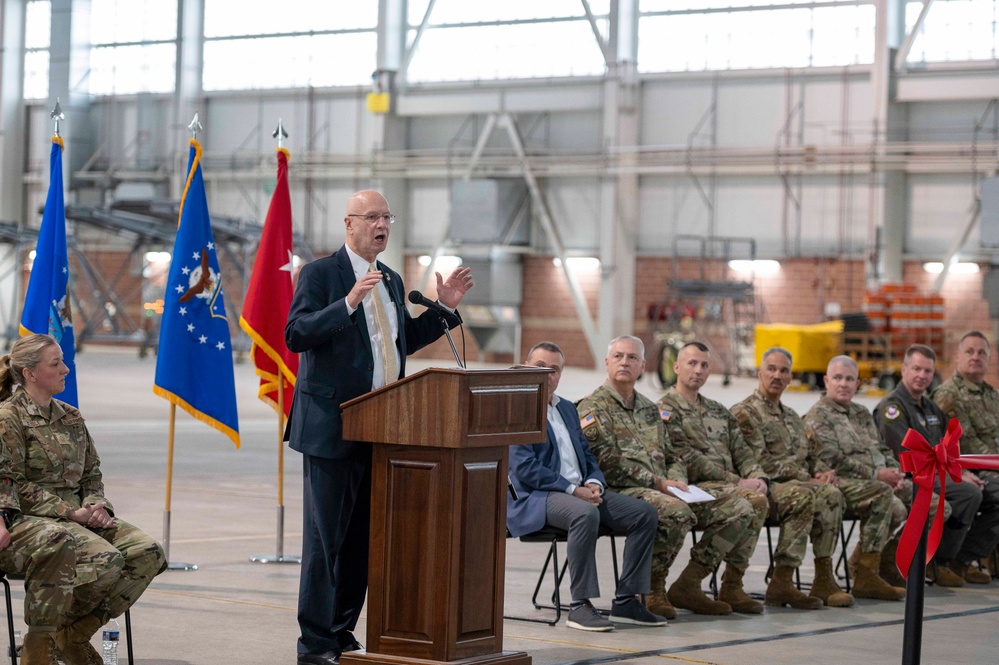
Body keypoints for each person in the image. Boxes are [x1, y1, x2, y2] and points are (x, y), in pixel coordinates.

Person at [285, 190, 473, 665]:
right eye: (372, 217)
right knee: (326, 542)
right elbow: (296, 333)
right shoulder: (321, 274)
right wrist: (347, 303)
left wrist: (443, 307)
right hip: (332, 429)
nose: (382, 224)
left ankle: (342, 631)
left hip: (384, 429)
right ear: (349, 224)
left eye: (387, 216)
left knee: (362, 542)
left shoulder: (388, 278)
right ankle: (315, 645)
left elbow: (400, 340)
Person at [0, 334, 166, 665]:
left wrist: (96, 504)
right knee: (105, 559)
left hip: (78, 518)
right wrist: (70, 512)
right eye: (55, 363)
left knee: (147, 552)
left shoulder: (71, 416)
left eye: (63, 361)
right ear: (30, 373)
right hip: (31, 520)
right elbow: (11, 483)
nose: (65, 369)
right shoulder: (9, 418)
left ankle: (72, 633)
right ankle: (40, 644)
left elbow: (92, 472)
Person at [578, 336, 756, 619]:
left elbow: (673, 456)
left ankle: (690, 583)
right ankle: (651, 589)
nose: (625, 362)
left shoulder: (650, 409)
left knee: (742, 508)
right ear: (607, 362)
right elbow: (605, 462)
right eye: (619, 356)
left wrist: (676, 481)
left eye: (632, 358)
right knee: (676, 512)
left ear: (643, 366)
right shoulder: (593, 408)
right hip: (621, 492)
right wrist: (659, 483)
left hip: (663, 489)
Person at [507, 341, 665, 631]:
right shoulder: (516, 406)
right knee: (584, 513)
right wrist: (572, 490)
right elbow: (524, 467)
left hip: (579, 492)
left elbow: (587, 455)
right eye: (540, 367)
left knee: (645, 513)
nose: (547, 375)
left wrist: (594, 483)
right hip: (539, 496)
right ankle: (579, 606)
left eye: (554, 370)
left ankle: (627, 600)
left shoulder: (567, 408)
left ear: (560, 375)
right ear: (527, 366)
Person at [731, 347, 852, 609]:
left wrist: (821, 471)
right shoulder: (745, 413)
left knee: (831, 493)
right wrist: (807, 478)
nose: (777, 375)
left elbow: (809, 455)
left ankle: (823, 577)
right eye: (771, 369)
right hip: (766, 488)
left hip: (797, 484)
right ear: (760, 372)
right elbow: (757, 462)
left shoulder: (793, 417)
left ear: (790, 377)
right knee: (803, 494)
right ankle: (782, 581)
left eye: (784, 371)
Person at [656, 341, 769, 614]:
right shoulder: (664, 410)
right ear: (676, 367)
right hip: (694, 488)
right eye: (692, 363)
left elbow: (742, 451)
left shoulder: (718, 410)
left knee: (758, 499)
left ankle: (730, 585)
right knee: (747, 503)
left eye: (704, 365)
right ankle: (690, 583)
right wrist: (738, 481)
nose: (698, 370)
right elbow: (686, 459)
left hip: (726, 487)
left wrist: (757, 475)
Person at [875, 343, 999, 587]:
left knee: (980, 492)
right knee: (968, 494)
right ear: (904, 370)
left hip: (936, 474)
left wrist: (960, 470)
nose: (922, 376)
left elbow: (948, 448)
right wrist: (955, 475)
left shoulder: (931, 408)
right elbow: (907, 454)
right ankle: (940, 560)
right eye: (917, 369)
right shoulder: (892, 408)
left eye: (928, 371)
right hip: (907, 476)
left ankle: (957, 558)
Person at [802, 355, 907, 600]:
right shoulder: (818, 415)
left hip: (878, 479)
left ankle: (875, 564)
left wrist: (895, 473)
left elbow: (881, 448)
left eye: (849, 379)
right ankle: (867, 573)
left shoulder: (861, 413)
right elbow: (832, 458)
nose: (843, 384)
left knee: (931, 502)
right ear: (826, 381)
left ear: (857, 384)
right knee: (892, 505)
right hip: (843, 482)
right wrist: (878, 476)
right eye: (837, 378)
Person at [929, 334, 999, 582]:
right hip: (968, 467)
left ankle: (977, 555)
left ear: (989, 359)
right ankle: (959, 558)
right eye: (969, 352)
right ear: (958, 356)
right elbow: (966, 442)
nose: (975, 357)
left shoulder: (992, 395)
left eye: (982, 353)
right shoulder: (948, 394)